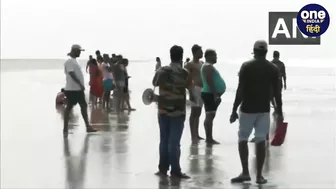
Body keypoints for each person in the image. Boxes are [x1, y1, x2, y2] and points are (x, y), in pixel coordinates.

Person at [229, 40, 283, 184]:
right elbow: (277, 93)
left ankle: (245, 172)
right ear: (266, 52)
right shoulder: (272, 68)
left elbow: (240, 90)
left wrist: (234, 110)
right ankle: (259, 176)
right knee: (260, 141)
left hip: (247, 109)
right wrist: (279, 111)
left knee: (242, 139)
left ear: (254, 50)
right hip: (264, 109)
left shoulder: (247, 66)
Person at [153, 45, 195, 179]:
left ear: (170, 55)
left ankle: (162, 169)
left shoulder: (162, 71)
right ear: (181, 56)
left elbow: (154, 83)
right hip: (178, 112)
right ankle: (175, 171)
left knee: (164, 141)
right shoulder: (184, 73)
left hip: (163, 110)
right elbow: (192, 92)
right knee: (174, 142)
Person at [63, 44, 97, 137]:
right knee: (70, 107)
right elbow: (71, 73)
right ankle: (66, 128)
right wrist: (80, 84)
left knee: (83, 105)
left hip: (77, 89)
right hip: (73, 89)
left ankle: (87, 126)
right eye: (79, 51)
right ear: (74, 51)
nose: (80, 53)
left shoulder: (75, 61)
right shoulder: (69, 61)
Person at [200, 49, 226, 145]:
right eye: (215, 55)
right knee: (209, 116)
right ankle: (209, 138)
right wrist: (215, 95)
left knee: (211, 115)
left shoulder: (209, 66)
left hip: (210, 93)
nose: (216, 57)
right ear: (209, 56)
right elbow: (210, 81)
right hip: (209, 93)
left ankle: (209, 138)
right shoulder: (207, 67)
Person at [184, 44, 204, 143]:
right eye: (200, 51)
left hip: (202, 89)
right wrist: (190, 90)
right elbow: (185, 78)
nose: (202, 53)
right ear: (195, 52)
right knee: (194, 112)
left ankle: (197, 133)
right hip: (194, 88)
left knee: (199, 112)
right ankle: (193, 136)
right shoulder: (189, 64)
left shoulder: (202, 63)